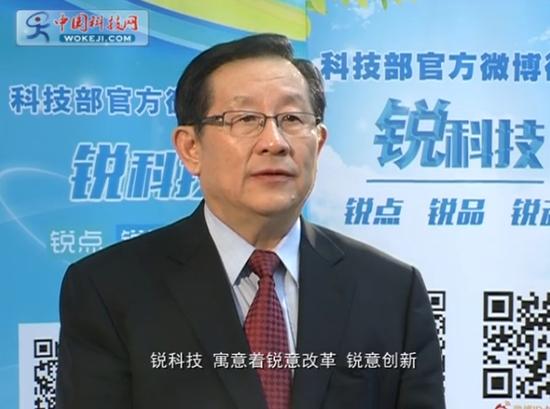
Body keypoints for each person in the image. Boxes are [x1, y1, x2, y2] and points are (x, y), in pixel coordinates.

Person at [56, 33, 445, 409]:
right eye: (245, 119)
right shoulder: (110, 288)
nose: (274, 142)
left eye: (292, 118)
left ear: (319, 142)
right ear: (191, 148)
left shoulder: (393, 291)